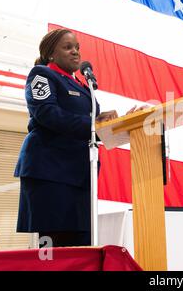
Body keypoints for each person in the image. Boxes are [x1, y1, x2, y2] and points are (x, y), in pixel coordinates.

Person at [14, 28, 116, 247]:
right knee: (53, 249)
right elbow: (47, 114)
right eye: (68, 47)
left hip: (79, 176)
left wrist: (107, 121)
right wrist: (93, 126)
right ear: (51, 53)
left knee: (82, 247)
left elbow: (88, 121)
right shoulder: (41, 75)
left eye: (77, 47)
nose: (75, 52)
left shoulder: (83, 86)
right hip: (50, 173)